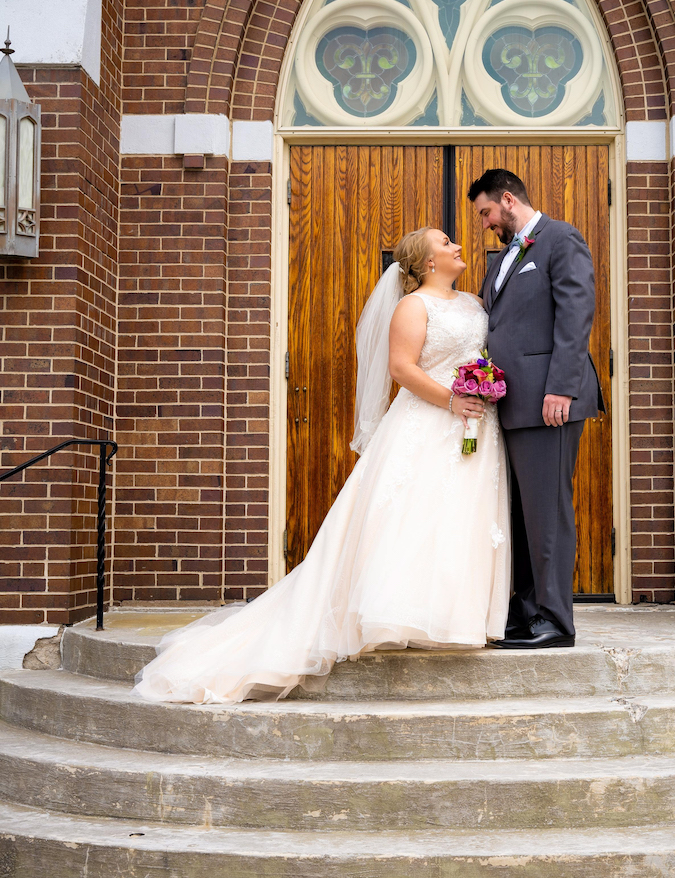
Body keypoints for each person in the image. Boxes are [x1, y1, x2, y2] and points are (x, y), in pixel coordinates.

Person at [133, 228, 510, 704]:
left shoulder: (475, 303)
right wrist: (452, 400)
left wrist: (482, 389)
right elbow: (401, 368)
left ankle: (455, 617)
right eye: (445, 241)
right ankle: (396, 613)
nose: (457, 244)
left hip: (474, 428)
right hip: (430, 421)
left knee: (460, 515)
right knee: (411, 515)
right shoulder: (413, 307)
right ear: (427, 260)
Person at [469, 168, 601, 649]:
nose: (484, 222)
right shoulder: (504, 257)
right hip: (511, 405)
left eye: (486, 212)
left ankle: (554, 620)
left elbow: (575, 312)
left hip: (550, 401)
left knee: (547, 512)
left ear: (508, 200)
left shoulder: (560, 239)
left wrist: (562, 388)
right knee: (521, 515)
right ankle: (525, 614)